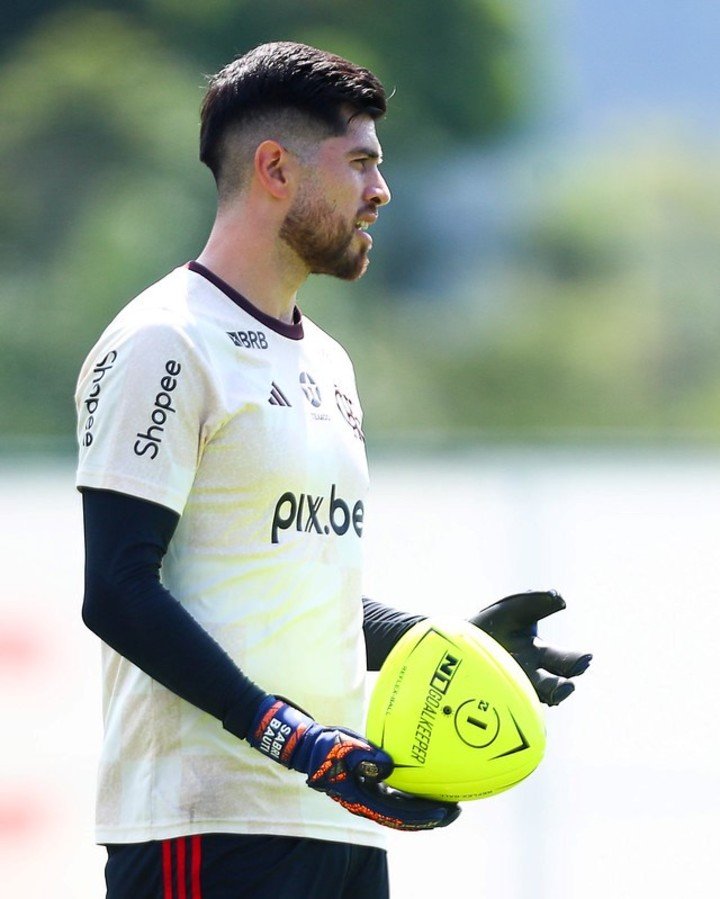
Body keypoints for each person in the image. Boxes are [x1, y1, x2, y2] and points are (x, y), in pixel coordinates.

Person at [75, 41, 591, 899]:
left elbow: (282, 586)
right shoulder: (165, 340)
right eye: (359, 164)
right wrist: (292, 737)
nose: (380, 192)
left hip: (337, 820)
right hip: (209, 823)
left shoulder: (328, 362)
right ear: (275, 167)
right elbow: (117, 588)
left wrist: (443, 645)